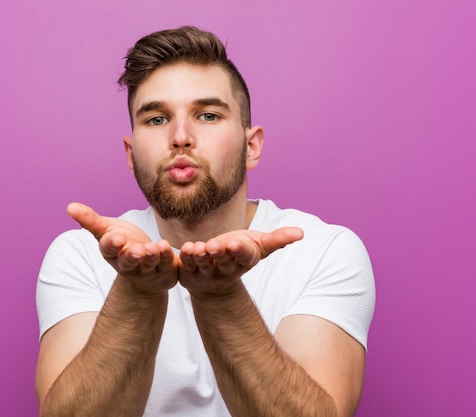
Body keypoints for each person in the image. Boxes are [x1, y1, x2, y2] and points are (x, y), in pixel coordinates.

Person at [35, 26, 375, 417]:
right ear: (131, 155)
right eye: (157, 119)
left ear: (252, 146)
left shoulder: (324, 251)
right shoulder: (81, 254)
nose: (181, 137)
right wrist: (138, 293)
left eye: (208, 115)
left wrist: (219, 296)